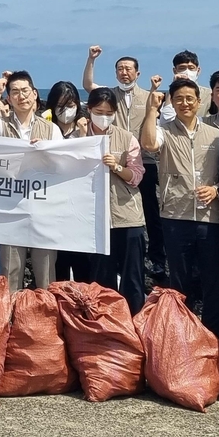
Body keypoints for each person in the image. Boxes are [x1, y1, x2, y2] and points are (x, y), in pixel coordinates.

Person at [140, 78, 219, 341]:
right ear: (172, 102)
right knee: (180, 279)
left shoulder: (216, 135)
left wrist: (216, 190)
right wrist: (151, 111)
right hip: (175, 216)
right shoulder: (164, 130)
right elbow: (149, 144)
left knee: (214, 278)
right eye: (178, 98)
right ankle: (183, 334)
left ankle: (215, 335)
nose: (185, 103)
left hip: (210, 217)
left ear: (200, 102)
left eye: (190, 98)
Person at [83, 45, 166, 282]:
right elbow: (89, 85)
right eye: (119, 69)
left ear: (137, 73)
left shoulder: (148, 96)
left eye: (128, 69)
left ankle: (157, 258)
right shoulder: (109, 94)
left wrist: (153, 90)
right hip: (113, 157)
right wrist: (91, 59)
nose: (124, 72)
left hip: (144, 160)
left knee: (149, 212)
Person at [0, 71, 58, 292]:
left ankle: (44, 322)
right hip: (9, 210)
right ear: (9, 98)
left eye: (25, 91)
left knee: (46, 274)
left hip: (42, 210)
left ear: (34, 94)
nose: (21, 96)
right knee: (9, 272)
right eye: (15, 92)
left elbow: (62, 166)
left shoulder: (51, 129)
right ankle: (10, 322)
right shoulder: (1, 126)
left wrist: (45, 152)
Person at [86, 87, 147, 314]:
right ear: (89, 109)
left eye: (109, 112)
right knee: (101, 276)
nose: (104, 116)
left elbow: (137, 176)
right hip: (93, 218)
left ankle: (134, 319)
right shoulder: (77, 137)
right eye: (99, 111)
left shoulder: (126, 137)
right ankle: (104, 321)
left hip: (126, 216)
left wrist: (118, 167)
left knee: (132, 276)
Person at [44, 81, 92, 283]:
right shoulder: (45, 128)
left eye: (71, 105)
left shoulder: (87, 128)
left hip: (79, 208)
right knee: (57, 265)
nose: (66, 111)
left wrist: (83, 135)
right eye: (61, 105)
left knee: (83, 265)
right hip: (51, 207)